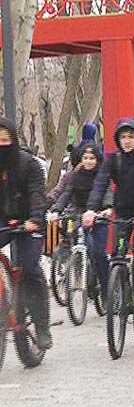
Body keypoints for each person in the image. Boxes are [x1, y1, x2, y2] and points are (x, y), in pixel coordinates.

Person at [83, 118, 134, 317]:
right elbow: (100, 184)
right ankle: (123, 293)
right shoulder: (113, 159)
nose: (127, 141)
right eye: (123, 137)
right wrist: (91, 209)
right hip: (123, 212)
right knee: (118, 254)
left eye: (131, 137)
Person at [0, 117, 51, 349]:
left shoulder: (27, 163)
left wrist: (35, 219)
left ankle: (41, 326)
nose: (2, 144)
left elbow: (37, 194)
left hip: (28, 222)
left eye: (5, 139)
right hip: (3, 221)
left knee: (30, 269)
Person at [51, 141, 103, 214]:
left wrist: (108, 207)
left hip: (97, 213)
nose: (88, 161)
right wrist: (56, 210)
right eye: (85, 158)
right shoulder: (74, 176)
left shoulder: (102, 176)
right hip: (76, 213)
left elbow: (107, 193)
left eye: (92, 158)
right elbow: (66, 193)